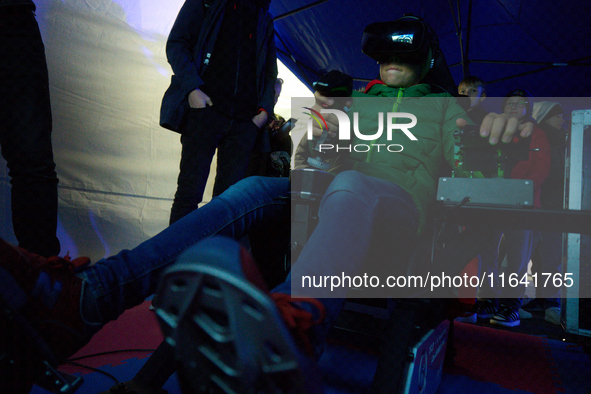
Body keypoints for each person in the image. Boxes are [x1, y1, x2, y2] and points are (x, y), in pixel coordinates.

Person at [0, 15, 533, 392]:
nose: (391, 61)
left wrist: (501, 142)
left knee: (352, 189)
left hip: (400, 215)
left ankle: (297, 324)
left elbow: (476, 177)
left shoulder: (445, 108)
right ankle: (89, 294)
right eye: (385, 53)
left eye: (403, 54)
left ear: (426, 60)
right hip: (335, 198)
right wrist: (323, 135)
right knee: (253, 188)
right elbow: (321, 162)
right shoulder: (359, 101)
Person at [161, 0, 278, 225]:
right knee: (189, 195)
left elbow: (270, 71)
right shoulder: (205, 2)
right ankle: (179, 260)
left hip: (245, 123)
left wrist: (262, 114)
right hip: (206, 111)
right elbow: (176, 43)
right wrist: (193, 89)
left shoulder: (263, 15)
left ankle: (211, 258)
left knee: (227, 205)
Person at [475, 89, 550, 327]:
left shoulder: (537, 133)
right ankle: (488, 299)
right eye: (510, 103)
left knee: (518, 257)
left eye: (520, 104)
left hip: (523, 205)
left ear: (528, 108)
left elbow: (542, 167)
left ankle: (511, 306)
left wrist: (521, 191)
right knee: (486, 252)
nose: (514, 107)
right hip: (493, 202)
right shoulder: (493, 129)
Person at [0, 0, 61, 257]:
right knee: (32, 163)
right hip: (13, 20)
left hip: (13, 17)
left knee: (33, 161)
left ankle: (41, 277)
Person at [523, 101, 568, 324]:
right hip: (541, 205)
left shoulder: (564, 142)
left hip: (554, 208)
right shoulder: (541, 140)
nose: (563, 119)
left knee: (550, 256)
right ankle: (543, 300)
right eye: (557, 115)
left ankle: (551, 300)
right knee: (534, 255)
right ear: (545, 117)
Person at [246, 77, 293, 178]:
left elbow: (288, 152)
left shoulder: (278, 119)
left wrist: (283, 136)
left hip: (269, 175)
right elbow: (247, 143)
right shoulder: (249, 116)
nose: (274, 101)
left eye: (277, 97)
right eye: (272, 96)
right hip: (250, 173)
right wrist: (267, 131)